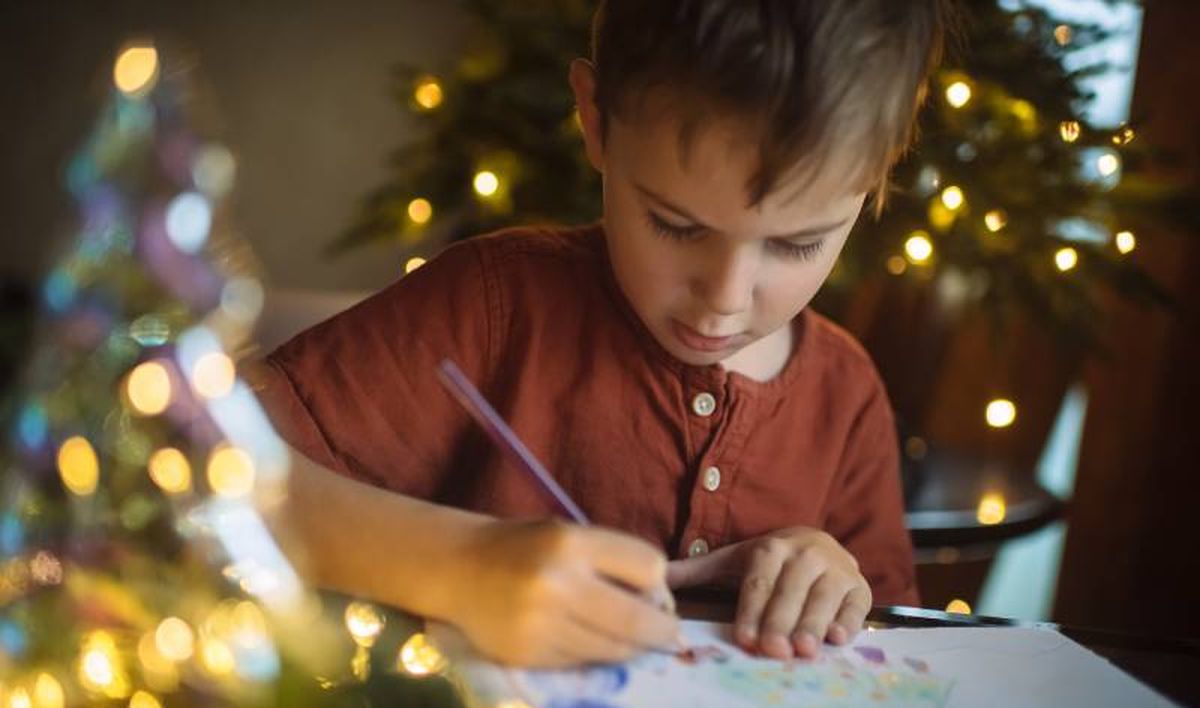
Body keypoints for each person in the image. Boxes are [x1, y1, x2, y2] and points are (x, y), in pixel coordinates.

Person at [253, 0, 950, 667]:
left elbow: (891, 645)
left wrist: (835, 586)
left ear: (877, 176)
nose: (725, 299)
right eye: (676, 226)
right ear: (595, 118)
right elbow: (210, 459)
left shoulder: (847, 398)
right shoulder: (493, 304)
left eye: (797, 244)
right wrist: (459, 565)